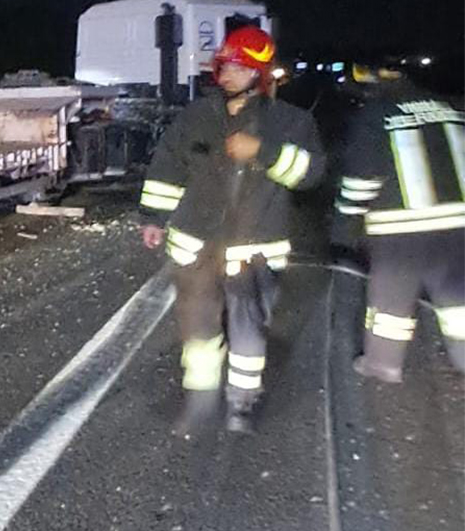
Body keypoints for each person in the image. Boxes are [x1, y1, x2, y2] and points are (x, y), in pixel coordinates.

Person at [139, 26, 325, 435]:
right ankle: (201, 401)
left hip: (254, 251)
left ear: (259, 74)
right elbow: (168, 166)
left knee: (247, 333)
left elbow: (312, 174)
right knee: (199, 329)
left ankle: (243, 402)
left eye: (238, 68)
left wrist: (264, 153)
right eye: (224, 67)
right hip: (196, 248)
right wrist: (153, 216)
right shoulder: (198, 116)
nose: (226, 75)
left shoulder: (290, 122)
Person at [333, 62, 465, 381]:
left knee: (390, 300)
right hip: (458, 226)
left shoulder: (376, 114)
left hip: (400, 232)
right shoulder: (450, 109)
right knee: (458, 297)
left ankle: (383, 363)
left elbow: (362, 180)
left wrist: (344, 226)